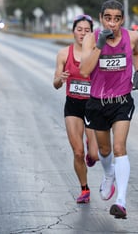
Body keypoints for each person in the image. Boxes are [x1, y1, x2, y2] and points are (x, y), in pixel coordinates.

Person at [80, 0, 138, 219]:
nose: (113, 23)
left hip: (121, 101)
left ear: (122, 19)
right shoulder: (91, 39)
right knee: (104, 150)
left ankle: (121, 202)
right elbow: (85, 70)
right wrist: (99, 45)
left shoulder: (132, 37)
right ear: (101, 18)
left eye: (117, 18)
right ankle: (109, 175)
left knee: (119, 147)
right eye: (108, 18)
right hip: (97, 102)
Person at [53, 14, 99, 204]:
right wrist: (61, 78)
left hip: (93, 106)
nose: (82, 33)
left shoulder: (97, 52)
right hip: (73, 106)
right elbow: (55, 84)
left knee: (94, 155)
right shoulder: (64, 54)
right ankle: (84, 189)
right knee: (78, 152)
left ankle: (92, 146)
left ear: (92, 33)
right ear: (73, 31)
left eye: (87, 30)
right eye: (79, 29)